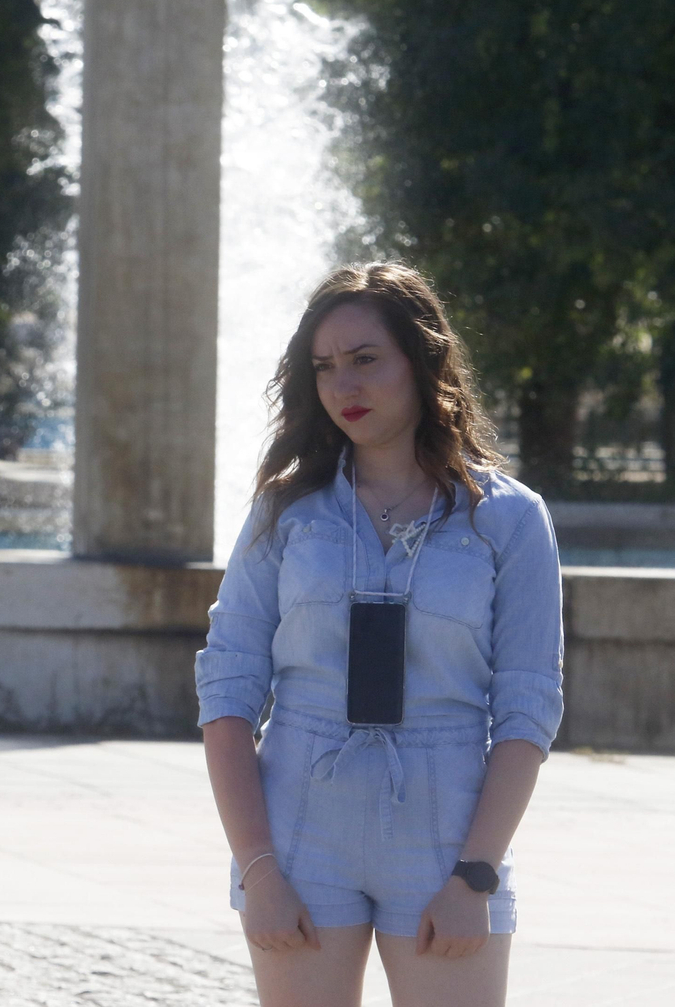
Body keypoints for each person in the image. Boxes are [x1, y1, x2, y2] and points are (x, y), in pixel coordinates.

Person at [196, 263, 564, 1007]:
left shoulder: (511, 519)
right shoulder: (283, 512)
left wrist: (475, 875)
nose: (344, 386)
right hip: (300, 822)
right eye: (325, 367)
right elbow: (227, 690)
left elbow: (528, 708)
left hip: (447, 827)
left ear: (424, 360)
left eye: (366, 359)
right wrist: (258, 868)